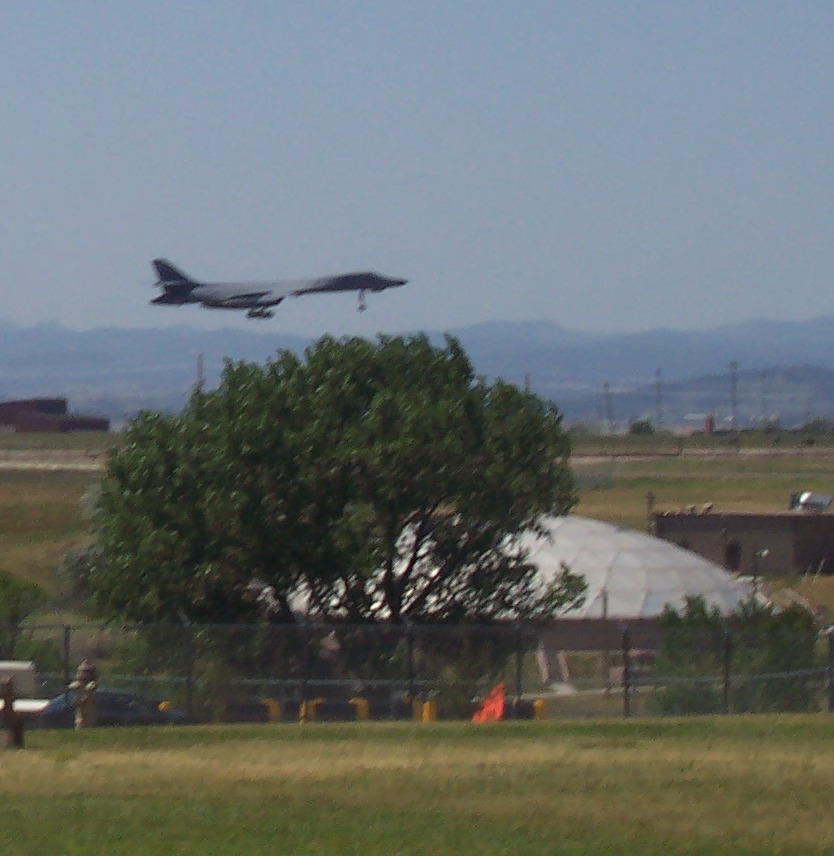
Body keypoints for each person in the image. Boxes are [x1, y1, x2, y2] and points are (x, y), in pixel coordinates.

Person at [68, 659, 98, 730]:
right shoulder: (77, 686)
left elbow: (85, 699)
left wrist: (83, 694)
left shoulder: (91, 685)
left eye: (82, 672)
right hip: (79, 718)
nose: (79, 674)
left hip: (89, 718)